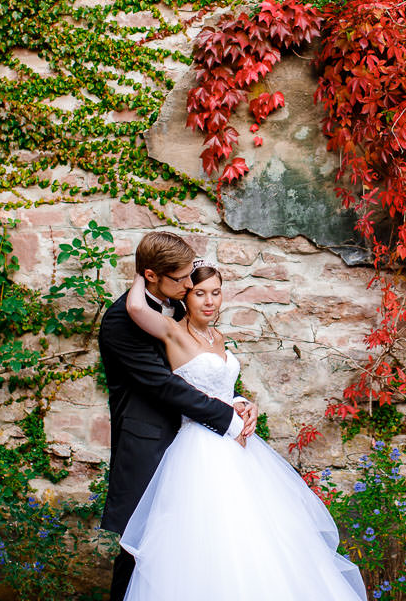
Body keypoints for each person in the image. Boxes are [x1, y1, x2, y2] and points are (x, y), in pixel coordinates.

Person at [118, 262, 366, 601]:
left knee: (261, 536)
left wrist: (243, 402)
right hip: (199, 449)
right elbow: (135, 308)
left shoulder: (217, 337)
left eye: (216, 293)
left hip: (239, 446)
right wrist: (142, 268)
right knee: (212, 536)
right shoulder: (173, 331)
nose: (209, 301)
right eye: (200, 293)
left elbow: (219, 386)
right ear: (186, 297)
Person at [98, 232, 258, 601]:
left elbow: (198, 367)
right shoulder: (121, 321)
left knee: (208, 544)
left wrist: (237, 400)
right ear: (151, 276)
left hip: (199, 446)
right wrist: (228, 418)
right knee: (141, 549)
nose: (190, 285)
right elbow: (164, 385)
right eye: (182, 278)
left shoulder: (177, 306)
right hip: (151, 444)